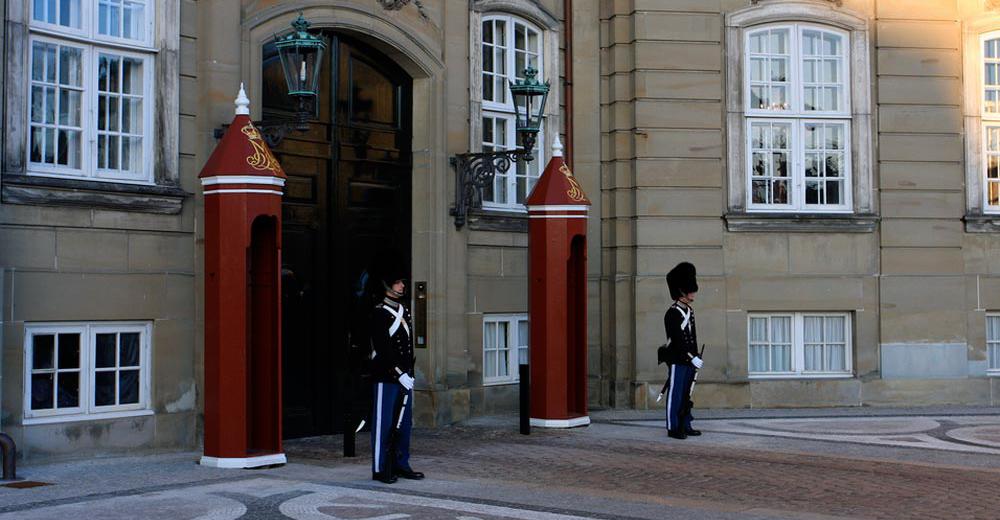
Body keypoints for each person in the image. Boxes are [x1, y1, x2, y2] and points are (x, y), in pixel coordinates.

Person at [370, 267, 424, 484]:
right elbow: (383, 349)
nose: (402, 285)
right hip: (387, 376)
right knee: (384, 424)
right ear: (387, 285)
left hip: (404, 377)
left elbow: (406, 347)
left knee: (404, 424)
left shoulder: (404, 310)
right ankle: (380, 467)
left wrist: (407, 373)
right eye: (398, 282)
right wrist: (398, 373)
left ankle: (401, 463)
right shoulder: (379, 312)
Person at [663, 262, 704, 440]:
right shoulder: (672, 313)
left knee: (687, 393)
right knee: (676, 393)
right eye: (690, 290)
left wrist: (696, 357)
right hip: (678, 359)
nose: (693, 293)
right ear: (682, 291)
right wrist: (690, 357)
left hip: (690, 359)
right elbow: (678, 340)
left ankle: (685, 424)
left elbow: (692, 337)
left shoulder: (690, 311)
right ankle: (673, 427)